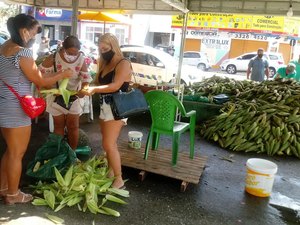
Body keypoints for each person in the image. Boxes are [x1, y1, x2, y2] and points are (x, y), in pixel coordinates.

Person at [0, 14, 72, 205]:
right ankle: (14, 194)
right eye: (33, 32)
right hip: (17, 109)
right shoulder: (22, 53)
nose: (35, 37)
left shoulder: (2, 49)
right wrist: (62, 73)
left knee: (10, 150)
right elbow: (40, 80)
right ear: (24, 31)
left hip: (3, 105)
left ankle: (4, 187)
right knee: (17, 153)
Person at [81, 33, 132, 189]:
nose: (103, 51)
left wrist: (94, 89)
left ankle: (119, 179)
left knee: (108, 144)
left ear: (114, 46)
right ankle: (111, 171)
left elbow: (116, 85)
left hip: (117, 108)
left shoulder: (123, 63)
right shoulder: (104, 62)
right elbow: (97, 82)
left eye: (106, 48)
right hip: (105, 106)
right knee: (109, 144)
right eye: (100, 48)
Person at [39, 36, 92, 150]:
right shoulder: (53, 58)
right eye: (69, 53)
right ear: (63, 48)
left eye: (75, 53)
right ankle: (59, 151)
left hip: (73, 98)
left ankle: (72, 153)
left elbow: (86, 79)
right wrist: (50, 87)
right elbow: (40, 75)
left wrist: (84, 89)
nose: (72, 56)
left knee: (73, 126)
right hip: (55, 98)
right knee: (59, 126)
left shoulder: (81, 59)